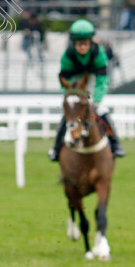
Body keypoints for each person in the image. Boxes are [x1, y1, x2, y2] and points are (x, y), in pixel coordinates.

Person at [48, 19, 125, 161]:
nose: (82, 47)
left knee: (102, 111)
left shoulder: (98, 52)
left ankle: (116, 145)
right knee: (68, 116)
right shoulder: (68, 55)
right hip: (75, 85)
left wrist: (96, 101)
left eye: (85, 43)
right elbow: (65, 82)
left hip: (93, 81)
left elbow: (102, 80)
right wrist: (74, 99)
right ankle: (56, 149)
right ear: (74, 43)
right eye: (79, 44)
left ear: (91, 42)